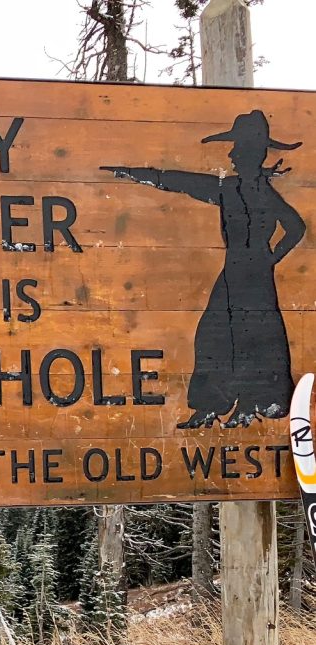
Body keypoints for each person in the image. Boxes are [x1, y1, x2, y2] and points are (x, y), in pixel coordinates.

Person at [102, 110, 306, 428]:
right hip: (236, 268)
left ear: (252, 151)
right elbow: (182, 182)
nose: (232, 154)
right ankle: (212, 405)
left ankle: (251, 403)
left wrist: (271, 258)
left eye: (238, 148)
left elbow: (295, 227)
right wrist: (135, 173)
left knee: (255, 336)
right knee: (214, 335)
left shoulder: (262, 192)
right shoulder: (231, 188)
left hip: (255, 274)